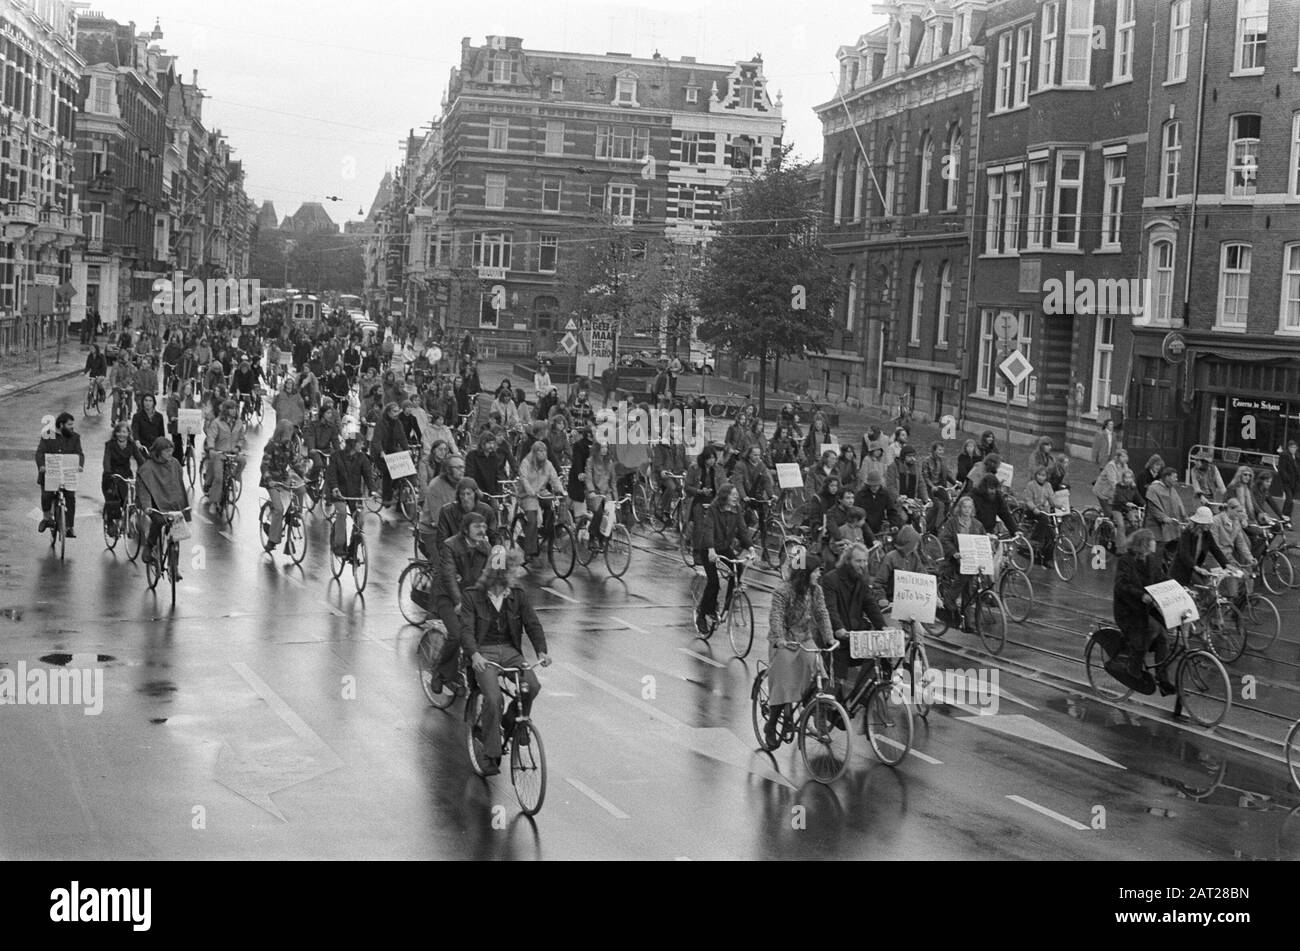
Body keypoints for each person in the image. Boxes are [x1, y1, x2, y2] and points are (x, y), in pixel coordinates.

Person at [461, 559, 552, 776]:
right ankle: (491, 754)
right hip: (484, 652)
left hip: (510, 651)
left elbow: (532, 623)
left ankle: (513, 722)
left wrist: (541, 651)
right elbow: (466, 630)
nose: (504, 580)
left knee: (531, 685)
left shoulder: (517, 595)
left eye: (506, 574)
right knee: (493, 698)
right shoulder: (472, 596)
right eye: (498, 574)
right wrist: (474, 655)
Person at [762, 552, 834, 749]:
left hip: (804, 638)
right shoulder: (783, 592)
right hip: (785, 640)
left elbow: (822, 613)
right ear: (806, 572)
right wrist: (780, 639)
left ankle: (804, 711)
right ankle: (771, 724)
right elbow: (776, 616)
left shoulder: (816, 591)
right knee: (784, 682)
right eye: (817, 570)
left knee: (821, 675)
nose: (819, 574)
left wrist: (829, 637)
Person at [425, 511, 495, 698]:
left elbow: (493, 574)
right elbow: (448, 576)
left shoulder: (486, 547)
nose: (482, 530)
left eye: (483, 526)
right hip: (447, 597)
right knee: (457, 635)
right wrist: (457, 601)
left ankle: (472, 674)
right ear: (465, 529)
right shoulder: (450, 545)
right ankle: (439, 672)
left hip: (471, 597)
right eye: (477, 527)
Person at [1111, 530, 1175, 695]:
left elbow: (1161, 578)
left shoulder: (1151, 559)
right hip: (1128, 610)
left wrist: (1177, 588)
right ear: (1144, 543)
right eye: (1153, 540)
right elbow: (1121, 586)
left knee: (1164, 637)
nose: (1155, 543)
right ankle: (1133, 666)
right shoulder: (1125, 561)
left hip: (1145, 608)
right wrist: (1141, 595)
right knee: (1153, 629)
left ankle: (1163, 679)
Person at [820, 542, 888, 683]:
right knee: (836, 682)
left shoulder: (862, 580)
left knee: (878, 658)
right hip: (838, 639)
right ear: (847, 561)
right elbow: (830, 608)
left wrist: (883, 626)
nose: (862, 565)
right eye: (858, 561)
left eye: (864, 561)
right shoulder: (831, 579)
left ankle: (864, 698)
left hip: (855, 636)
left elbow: (870, 605)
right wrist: (839, 628)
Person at [695, 483, 755, 634]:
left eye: (736, 495)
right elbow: (708, 529)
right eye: (733, 495)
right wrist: (710, 550)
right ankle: (702, 615)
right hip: (709, 549)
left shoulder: (736, 509)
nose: (736, 497)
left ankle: (727, 606)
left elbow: (742, 529)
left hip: (724, 547)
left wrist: (751, 548)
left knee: (738, 569)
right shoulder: (714, 509)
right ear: (725, 496)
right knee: (714, 583)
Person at [135, 436, 191, 567]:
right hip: (155, 505)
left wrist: (182, 505)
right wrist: (147, 506)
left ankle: (174, 566)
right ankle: (150, 545)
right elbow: (144, 490)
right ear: (158, 451)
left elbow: (178, 484)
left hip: (171, 504)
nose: (170, 454)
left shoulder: (175, 464)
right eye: (166, 451)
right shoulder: (147, 468)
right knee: (159, 521)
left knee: (177, 530)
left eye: (171, 450)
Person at [324, 423, 378, 556]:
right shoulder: (336, 456)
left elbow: (368, 476)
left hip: (355, 494)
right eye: (360, 443)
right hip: (339, 493)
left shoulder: (362, 458)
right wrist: (335, 488)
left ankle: (353, 546)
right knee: (341, 513)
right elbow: (331, 475)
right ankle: (339, 545)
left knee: (360, 520)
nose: (362, 446)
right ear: (353, 444)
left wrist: (373, 490)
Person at [259, 420, 309, 549]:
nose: (290, 434)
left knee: (301, 489)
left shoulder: (289, 445)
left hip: (283, 477)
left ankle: (296, 514)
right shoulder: (270, 446)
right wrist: (269, 480)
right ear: (281, 432)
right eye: (289, 432)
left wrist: (303, 475)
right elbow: (264, 466)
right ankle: (272, 540)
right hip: (271, 480)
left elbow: (294, 462)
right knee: (279, 509)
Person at [517, 440, 566, 562]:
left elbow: (554, 478)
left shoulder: (548, 464)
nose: (542, 453)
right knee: (532, 519)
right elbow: (523, 478)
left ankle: (547, 530)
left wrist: (561, 490)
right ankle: (529, 551)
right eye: (539, 451)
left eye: (544, 451)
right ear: (534, 452)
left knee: (554, 503)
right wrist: (529, 490)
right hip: (527, 495)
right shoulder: (526, 462)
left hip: (542, 491)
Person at [36, 413, 84, 536]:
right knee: (46, 495)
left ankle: (69, 526)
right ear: (61, 425)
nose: (72, 427)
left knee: (70, 497)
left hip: (67, 473)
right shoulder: (48, 435)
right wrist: (42, 466)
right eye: (69, 425)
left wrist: (80, 465)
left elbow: (79, 453)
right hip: (50, 473)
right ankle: (47, 519)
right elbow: (40, 452)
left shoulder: (75, 437)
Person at [419, 454, 466, 561]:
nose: (462, 470)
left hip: (454, 529)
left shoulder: (463, 483)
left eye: (463, 467)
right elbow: (438, 519)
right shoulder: (436, 486)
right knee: (444, 569)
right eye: (458, 467)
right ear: (448, 470)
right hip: (432, 531)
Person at [203, 399, 247, 512]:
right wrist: (211, 449)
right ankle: (213, 501)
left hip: (232, 453)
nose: (233, 411)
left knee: (242, 461)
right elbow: (211, 437)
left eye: (235, 408)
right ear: (226, 410)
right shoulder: (217, 422)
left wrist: (238, 447)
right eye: (231, 408)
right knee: (218, 478)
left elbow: (242, 438)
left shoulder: (239, 423)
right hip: (220, 453)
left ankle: (235, 478)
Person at [1169, 505, 1229, 587]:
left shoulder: (1207, 534)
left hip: (1195, 570)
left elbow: (1215, 550)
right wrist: (1196, 567)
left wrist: (1226, 564)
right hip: (1181, 570)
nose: (1209, 525)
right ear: (1199, 523)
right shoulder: (1186, 533)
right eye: (1206, 523)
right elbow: (1184, 554)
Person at [101, 423, 143, 535]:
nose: (121, 434)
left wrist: (144, 470)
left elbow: (140, 459)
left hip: (126, 475)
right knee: (113, 500)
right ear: (115, 433)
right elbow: (106, 460)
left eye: (124, 432)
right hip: (112, 475)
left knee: (129, 499)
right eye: (119, 432)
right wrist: (108, 472)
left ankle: (128, 522)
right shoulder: (110, 445)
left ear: (128, 433)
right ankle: (110, 523)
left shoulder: (132, 445)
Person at [1210, 498, 1255, 599]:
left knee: (1247, 575)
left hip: (1227, 556)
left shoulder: (1236, 522)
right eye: (1238, 511)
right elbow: (1214, 546)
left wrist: (1250, 557)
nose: (1240, 514)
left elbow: (1241, 542)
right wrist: (1225, 562)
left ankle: (1245, 599)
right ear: (1229, 509)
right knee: (1231, 584)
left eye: (1241, 511)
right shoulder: (1216, 521)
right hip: (1216, 557)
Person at [371, 402, 411, 507]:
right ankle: (386, 497)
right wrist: (381, 451)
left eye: (398, 411)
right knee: (388, 471)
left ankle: (396, 488)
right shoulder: (380, 423)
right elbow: (377, 440)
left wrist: (407, 449)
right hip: (379, 452)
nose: (397, 413)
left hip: (392, 449)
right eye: (394, 411)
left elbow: (402, 438)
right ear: (388, 412)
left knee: (403, 467)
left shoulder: (398, 423)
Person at [1143, 466, 1186, 558]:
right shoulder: (1153, 489)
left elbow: (1179, 504)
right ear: (1167, 477)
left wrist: (1185, 517)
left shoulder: (1172, 489)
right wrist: (1164, 518)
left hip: (1169, 527)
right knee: (1154, 556)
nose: (1176, 479)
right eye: (1174, 477)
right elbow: (1154, 508)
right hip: (1154, 528)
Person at [583, 439, 619, 549]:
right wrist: (591, 491)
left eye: (606, 447)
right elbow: (588, 477)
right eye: (602, 447)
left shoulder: (610, 462)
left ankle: (604, 539)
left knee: (610, 515)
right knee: (598, 513)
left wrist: (616, 499)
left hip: (606, 492)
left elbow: (613, 482)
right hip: (595, 493)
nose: (604, 450)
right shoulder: (590, 461)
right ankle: (592, 536)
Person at [685, 444, 723, 543]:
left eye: (714, 458)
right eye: (709, 458)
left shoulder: (718, 469)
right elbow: (687, 487)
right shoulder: (694, 468)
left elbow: (723, 484)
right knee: (695, 520)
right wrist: (700, 491)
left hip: (713, 498)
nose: (712, 460)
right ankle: (688, 538)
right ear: (704, 459)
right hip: (698, 498)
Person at [466, 430, 516, 497]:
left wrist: (498, 492)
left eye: (493, 443)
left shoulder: (494, 456)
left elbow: (496, 475)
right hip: (477, 492)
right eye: (489, 443)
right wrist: (476, 489)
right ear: (482, 443)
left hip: (491, 493)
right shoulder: (472, 455)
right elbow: (469, 475)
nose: (491, 446)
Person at [854, 469, 901, 537]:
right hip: (863, 529)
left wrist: (894, 525)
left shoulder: (885, 494)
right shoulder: (860, 495)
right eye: (872, 485)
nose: (874, 488)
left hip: (878, 529)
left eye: (876, 485)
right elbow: (856, 514)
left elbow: (892, 511)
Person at [1278, 439, 1300, 520]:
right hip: (1287, 482)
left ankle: (1286, 519)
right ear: (1288, 447)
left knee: (1290, 501)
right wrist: (1287, 479)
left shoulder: (1297, 456)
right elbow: (1281, 469)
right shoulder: (1284, 455)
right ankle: (1285, 518)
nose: (1293, 449)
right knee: (1289, 500)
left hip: (1295, 483)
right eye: (1292, 447)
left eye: (1295, 447)